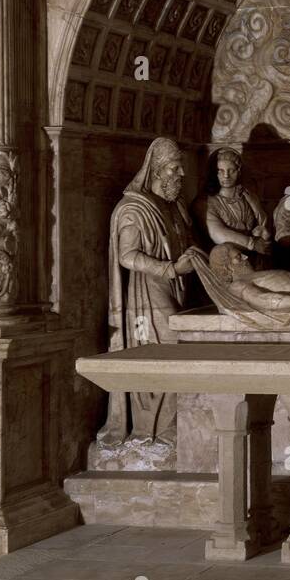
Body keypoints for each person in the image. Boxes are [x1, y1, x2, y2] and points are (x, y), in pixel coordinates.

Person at [98, 137, 204, 448]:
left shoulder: (173, 205)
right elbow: (127, 256)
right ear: (157, 171)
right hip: (149, 292)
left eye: (181, 167)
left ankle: (171, 426)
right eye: (174, 168)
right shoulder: (134, 208)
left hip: (177, 287)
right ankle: (151, 428)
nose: (181, 174)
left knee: (178, 350)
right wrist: (171, 269)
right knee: (166, 349)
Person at [205, 147, 272, 260]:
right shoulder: (206, 202)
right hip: (227, 261)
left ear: (239, 171)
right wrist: (252, 243)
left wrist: (264, 233)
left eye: (231, 170)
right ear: (214, 173)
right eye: (220, 171)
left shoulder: (249, 197)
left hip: (255, 257)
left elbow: (264, 223)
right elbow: (216, 233)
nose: (226, 176)